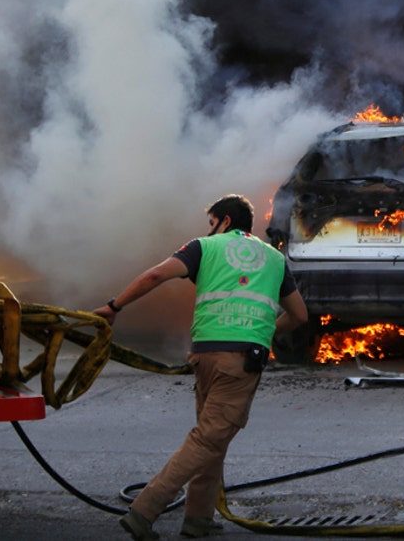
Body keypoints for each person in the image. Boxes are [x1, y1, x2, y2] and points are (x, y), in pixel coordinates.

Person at [95, 194, 309, 540]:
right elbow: (300, 316)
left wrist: (114, 306)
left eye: (211, 223)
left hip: (205, 354)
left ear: (224, 221)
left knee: (211, 437)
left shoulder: (203, 248)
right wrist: (264, 329)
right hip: (241, 360)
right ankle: (143, 511)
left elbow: (154, 276)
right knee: (208, 439)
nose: (208, 231)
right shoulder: (274, 258)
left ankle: (197, 518)